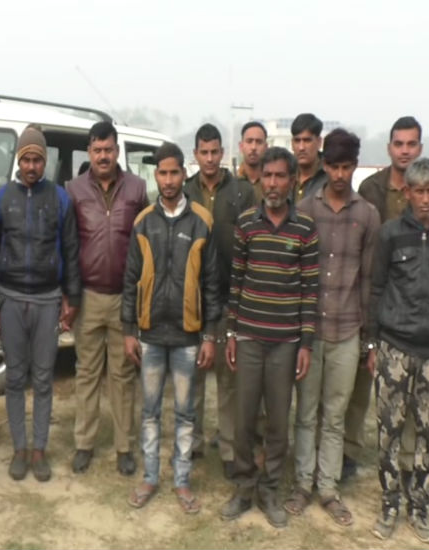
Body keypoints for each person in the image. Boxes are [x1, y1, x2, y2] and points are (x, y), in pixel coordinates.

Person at [343, 117, 429, 480]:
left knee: (414, 393)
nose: (405, 151)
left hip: (417, 306)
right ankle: (349, 451)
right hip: (375, 295)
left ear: (420, 148)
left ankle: (407, 461)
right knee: (362, 386)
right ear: (389, 147)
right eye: (399, 144)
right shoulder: (370, 188)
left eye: (411, 144)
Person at [366, 158, 429, 543]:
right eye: (418, 191)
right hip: (395, 350)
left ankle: (420, 509)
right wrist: (372, 343)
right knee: (388, 432)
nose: (425, 199)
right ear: (406, 193)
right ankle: (389, 505)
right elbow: (376, 290)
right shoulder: (390, 234)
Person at [286, 129, 380, 526]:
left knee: (335, 415)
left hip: (347, 332)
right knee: (306, 412)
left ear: (355, 166)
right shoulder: (305, 210)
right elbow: (295, 274)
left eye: (347, 167)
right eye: (334, 166)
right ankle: (301, 484)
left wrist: (369, 340)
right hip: (310, 332)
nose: (340, 175)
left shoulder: (368, 215)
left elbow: (369, 281)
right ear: (324, 165)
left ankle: (327, 488)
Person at [221, 146, 319, 528]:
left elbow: (310, 290)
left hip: (285, 344)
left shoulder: (305, 228)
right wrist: (232, 332)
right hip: (248, 338)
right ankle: (244, 488)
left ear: (292, 180)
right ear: (259, 179)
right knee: (244, 420)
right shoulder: (246, 223)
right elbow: (236, 281)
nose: (273, 183)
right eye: (267, 176)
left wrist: (305, 343)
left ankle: (270, 490)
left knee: (278, 422)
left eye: (280, 176)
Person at [123, 142, 220, 515]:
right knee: (149, 412)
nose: (167, 180)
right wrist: (129, 330)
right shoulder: (143, 221)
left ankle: (182, 481)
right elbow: (130, 278)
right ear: (156, 175)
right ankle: (149, 477)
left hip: (186, 337)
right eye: (161, 173)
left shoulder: (202, 222)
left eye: (173, 172)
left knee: (185, 414)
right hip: (149, 334)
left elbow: (211, 284)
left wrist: (209, 335)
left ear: (184, 173)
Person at [0, 126, 81, 482]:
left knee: (43, 379)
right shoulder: (3, 197)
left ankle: (39, 449)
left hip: (47, 299)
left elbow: (70, 249)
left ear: (46, 162)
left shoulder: (59, 199)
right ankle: (19, 449)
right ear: (18, 160)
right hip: (11, 297)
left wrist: (70, 297)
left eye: (37, 160)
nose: (31, 166)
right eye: (26, 159)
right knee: (15, 378)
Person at [67, 121, 148, 476]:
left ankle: (124, 447)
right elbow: (69, 245)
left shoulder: (137, 188)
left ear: (118, 150)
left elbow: (144, 243)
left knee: (123, 375)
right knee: (86, 373)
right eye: (97, 150)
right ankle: (84, 444)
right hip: (88, 296)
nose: (103, 156)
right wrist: (69, 295)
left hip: (124, 298)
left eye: (109, 150)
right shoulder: (73, 190)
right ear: (89, 151)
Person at [183, 123, 254, 479]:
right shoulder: (184, 191)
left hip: (229, 298)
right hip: (191, 300)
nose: (210, 159)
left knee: (227, 381)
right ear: (195, 154)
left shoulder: (242, 192)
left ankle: (227, 448)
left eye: (215, 152)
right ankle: (192, 442)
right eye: (204, 152)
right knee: (192, 377)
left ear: (223, 153)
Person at [290, 113, 328, 203]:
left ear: (319, 142)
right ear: (292, 143)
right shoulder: (285, 173)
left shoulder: (330, 176)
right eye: (297, 141)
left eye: (307, 140)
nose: (301, 147)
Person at [235, 121, 268, 204]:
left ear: (266, 147)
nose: (253, 147)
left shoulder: (272, 183)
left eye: (259, 142)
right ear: (241, 146)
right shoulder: (230, 184)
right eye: (249, 141)